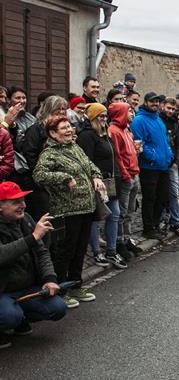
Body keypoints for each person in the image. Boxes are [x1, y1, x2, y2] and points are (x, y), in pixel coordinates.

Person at [33, 117, 105, 309]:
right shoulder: (50, 153)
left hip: (86, 207)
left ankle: (76, 285)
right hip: (67, 210)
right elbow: (39, 175)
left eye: (69, 127)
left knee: (80, 249)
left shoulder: (75, 147)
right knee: (65, 251)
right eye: (63, 128)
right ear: (53, 133)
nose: (69, 130)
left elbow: (90, 166)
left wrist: (97, 177)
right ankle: (61, 290)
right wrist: (65, 177)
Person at [0, 182, 66, 349]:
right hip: (3, 291)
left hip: (25, 288)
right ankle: (8, 322)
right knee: (9, 316)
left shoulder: (26, 220)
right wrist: (33, 237)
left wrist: (50, 279)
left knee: (58, 308)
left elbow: (42, 253)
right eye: (16, 202)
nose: (23, 205)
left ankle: (20, 319)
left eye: (23, 200)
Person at [77, 103, 126, 269]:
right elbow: (87, 161)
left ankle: (111, 250)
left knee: (115, 214)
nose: (104, 119)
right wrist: (93, 179)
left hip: (111, 183)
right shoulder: (87, 136)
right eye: (101, 116)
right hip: (97, 183)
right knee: (95, 218)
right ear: (92, 117)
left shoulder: (105, 134)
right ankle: (97, 252)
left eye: (106, 116)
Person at [131, 92, 173, 240]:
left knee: (162, 197)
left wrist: (169, 155)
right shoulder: (139, 120)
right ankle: (148, 228)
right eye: (152, 102)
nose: (155, 104)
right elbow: (139, 143)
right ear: (146, 102)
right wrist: (153, 157)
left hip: (163, 165)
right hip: (149, 166)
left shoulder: (158, 120)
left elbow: (165, 141)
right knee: (150, 198)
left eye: (157, 102)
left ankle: (155, 224)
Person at [107, 102, 141, 259]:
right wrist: (125, 173)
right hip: (126, 176)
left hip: (134, 174)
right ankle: (119, 242)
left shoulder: (127, 129)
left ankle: (127, 239)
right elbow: (117, 155)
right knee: (121, 211)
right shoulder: (114, 131)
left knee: (130, 211)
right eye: (129, 111)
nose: (131, 114)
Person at [159, 98, 179, 235]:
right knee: (161, 194)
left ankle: (176, 221)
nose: (170, 111)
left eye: (172, 109)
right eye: (168, 108)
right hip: (159, 162)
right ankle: (162, 220)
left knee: (174, 193)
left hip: (172, 163)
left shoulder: (176, 123)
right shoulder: (158, 120)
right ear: (163, 106)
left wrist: (176, 160)